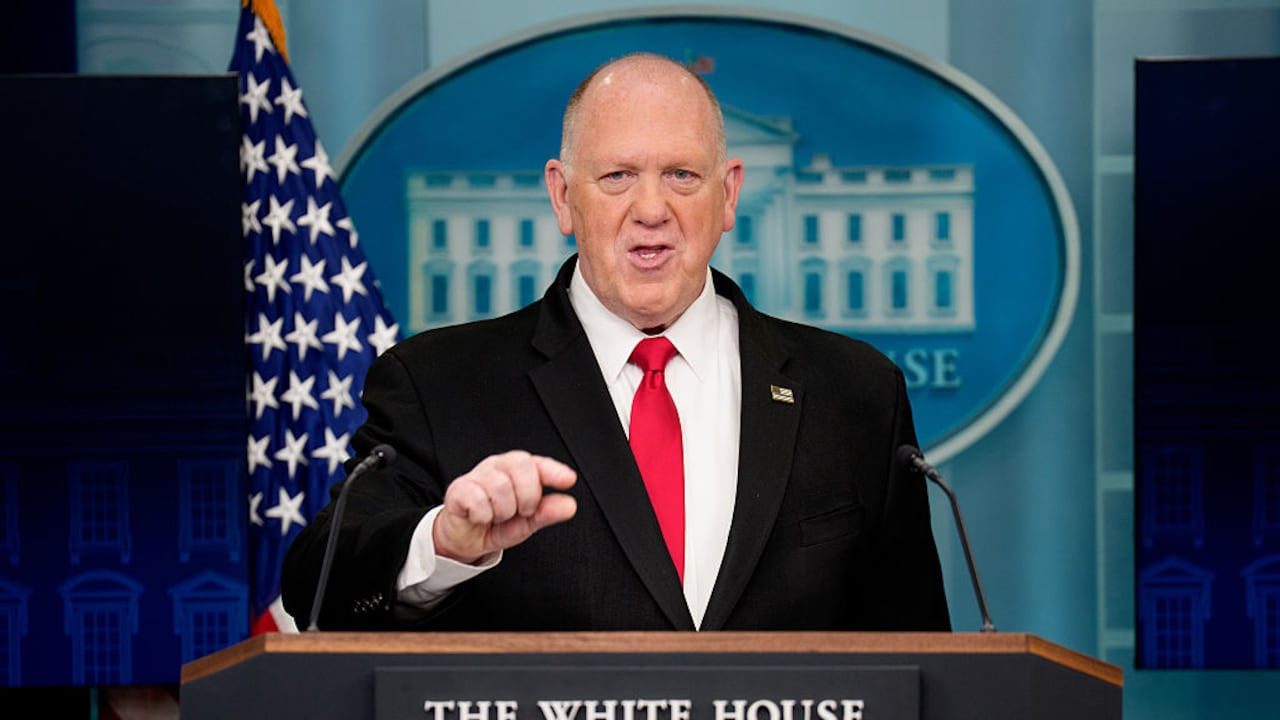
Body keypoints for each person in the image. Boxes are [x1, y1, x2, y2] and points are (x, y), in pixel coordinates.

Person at [280, 52, 951, 632]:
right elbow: (319, 584)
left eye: (682, 176)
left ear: (728, 195)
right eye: (618, 176)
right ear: (563, 197)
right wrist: (445, 544)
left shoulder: (856, 392)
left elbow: (921, 659)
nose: (652, 209)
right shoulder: (437, 383)